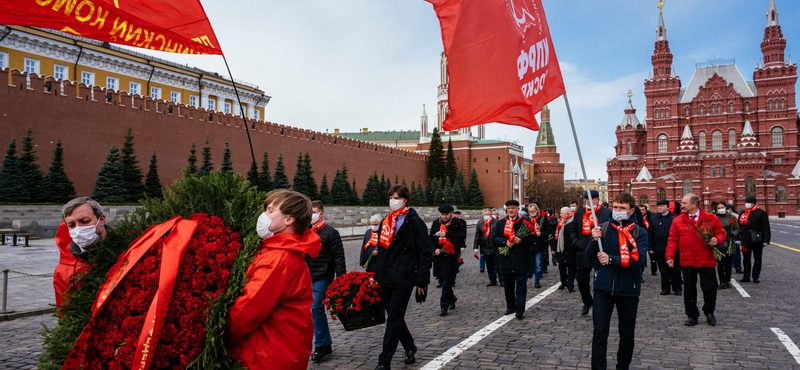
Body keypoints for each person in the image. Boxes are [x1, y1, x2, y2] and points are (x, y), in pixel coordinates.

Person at [226, 189, 321, 369]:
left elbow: (246, 311)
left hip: (267, 354)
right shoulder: (278, 251)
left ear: (288, 219)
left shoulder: (278, 259)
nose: (263, 215)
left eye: (270, 210)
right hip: (279, 349)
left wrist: (219, 335)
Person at [372, 184, 433, 370]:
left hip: (404, 278)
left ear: (404, 200)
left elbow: (425, 252)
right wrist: (376, 274)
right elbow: (381, 251)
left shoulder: (413, 221)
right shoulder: (386, 221)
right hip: (386, 277)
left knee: (393, 319)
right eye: (391, 197)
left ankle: (384, 363)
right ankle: (409, 347)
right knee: (394, 316)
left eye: (396, 197)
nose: (393, 200)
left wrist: (422, 281)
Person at [587, 193, 648, 370]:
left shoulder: (639, 232)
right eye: (615, 208)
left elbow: (639, 261)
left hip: (628, 290)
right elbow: (589, 257)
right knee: (600, 332)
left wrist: (612, 259)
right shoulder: (603, 228)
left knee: (627, 334)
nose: (617, 211)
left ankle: (623, 366)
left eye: (622, 208)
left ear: (631, 211)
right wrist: (593, 239)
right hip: (603, 289)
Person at [666, 194, 726, 327]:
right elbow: (672, 239)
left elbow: (721, 233)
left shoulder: (711, 218)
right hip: (687, 260)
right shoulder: (677, 221)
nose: (681, 206)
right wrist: (669, 256)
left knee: (710, 288)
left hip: (706, 260)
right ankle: (692, 315)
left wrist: (718, 240)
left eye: (684, 203)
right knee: (689, 289)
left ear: (694, 204)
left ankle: (709, 311)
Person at [306, 201, 347, 363]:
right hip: (308, 276)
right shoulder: (306, 231)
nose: (311, 215)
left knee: (316, 307)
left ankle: (321, 345)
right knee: (316, 310)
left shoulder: (331, 232)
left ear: (321, 213)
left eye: (314, 211)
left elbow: (339, 256)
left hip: (323, 276)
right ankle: (327, 344)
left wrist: (341, 279)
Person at [54, 197, 111, 309]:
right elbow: (65, 313)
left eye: (84, 221)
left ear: (102, 220)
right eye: (71, 225)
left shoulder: (127, 251)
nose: (78, 229)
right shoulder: (64, 269)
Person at [567, 190, 613, 316]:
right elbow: (573, 230)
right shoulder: (579, 214)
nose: (589, 201)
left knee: (601, 280)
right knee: (581, 279)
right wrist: (576, 242)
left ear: (597, 200)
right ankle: (587, 301)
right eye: (587, 199)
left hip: (601, 252)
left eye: (592, 199)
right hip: (583, 252)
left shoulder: (606, 213)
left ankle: (602, 304)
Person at [492, 200, 535, 319]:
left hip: (521, 258)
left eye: (513, 208)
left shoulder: (525, 222)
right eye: (509, 208)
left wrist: (521, 241)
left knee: (521, 286)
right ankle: (510, 306)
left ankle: (520, 309)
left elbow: (532, 239)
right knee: (508, 286)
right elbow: (494, 238)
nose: (511, 210)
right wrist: (504, 242)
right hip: (506, 259)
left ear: (518, 209)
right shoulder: (501, 223)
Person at [430, 204, 465, 316]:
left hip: (450, 256)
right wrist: (434, 249)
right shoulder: (436, 223)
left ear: (451, 213)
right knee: (443, 280)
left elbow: (461, 237)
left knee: (446, 282)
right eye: (442, 214)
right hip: (439, 256)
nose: (444, 217)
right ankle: (452, 298)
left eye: (446, 214)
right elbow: (431, 238)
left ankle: (443, 307)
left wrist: (447, 234)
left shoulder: (457, 224)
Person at [649, 200, 682, 296]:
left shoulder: (675, 217)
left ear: (667, 207)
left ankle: (677, 288)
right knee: (663, 271)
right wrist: (650, 247)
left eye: (662, 206)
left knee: (675, 270)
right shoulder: (654, 219)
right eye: (658, 206)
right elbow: (650, 234)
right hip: (659, 249)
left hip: (674, 250)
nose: (659, 207)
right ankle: (665, 288)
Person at [738, 196, 770, 283]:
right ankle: (746, 276)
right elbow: (739, 227)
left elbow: (766, 227)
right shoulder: (743, 213)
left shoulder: (761, 213)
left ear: (754, 203)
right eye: (746, 202)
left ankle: (756, 276)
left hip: (757, 240)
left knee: (757, 258)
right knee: (746, 259)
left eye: (749, 202)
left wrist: (766, 240)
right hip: (745, 239)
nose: (747, 204)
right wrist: (738, 238)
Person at [714, 203, 739, 290]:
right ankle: (722, 282)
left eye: (722, 207)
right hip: (719, 243)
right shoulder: (714, 217)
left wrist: (733, 234)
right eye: (719, 208)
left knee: (728, 263)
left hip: (729, 243)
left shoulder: (731, 217)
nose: (721, 209)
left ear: (726, 208)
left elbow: (737, 228)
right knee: (720, 263)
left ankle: (727, 280)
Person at [474, 208, 502, 286]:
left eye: (488, 214)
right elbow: (477, 236)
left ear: (491, 214)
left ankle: (502, 280)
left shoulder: (497, 222)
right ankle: (492, 280)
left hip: (495, 248)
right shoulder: (480, 223)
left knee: (498, 266)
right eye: (485, 214)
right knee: (489, 266)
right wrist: (475, 247)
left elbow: (500, 234)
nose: (486, 216)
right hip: (485, 248)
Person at [552, 206, 577, 292]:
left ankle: (570, 284)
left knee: (572, 268)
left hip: (570, 249)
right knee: (561, 267)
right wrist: (553, 248)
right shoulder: (560, 223)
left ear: (567, 214)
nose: (560, 214)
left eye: (562, 213)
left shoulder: (573, 222)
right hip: (561, 249)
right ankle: (563, 282)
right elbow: (555, 236)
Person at [527, 203, 549, 288]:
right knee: (529, 264)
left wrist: (541, 234)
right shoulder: (526, 219)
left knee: (538, 264)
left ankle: (537, 280)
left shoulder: (542, 219)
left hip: (539, 245)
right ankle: (529, 275)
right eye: (530, 212)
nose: (531, 213)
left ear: (537, 211)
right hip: (529, 245)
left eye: (533, 211)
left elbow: (547, 231)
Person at [639, 205, 657, 276]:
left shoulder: (651, 217)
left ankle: (654, 270)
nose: (641, 211)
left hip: (650, 237)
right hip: (642, 238)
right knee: (642, 255)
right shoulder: (639, 217)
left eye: (643, 210)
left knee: (652, 255)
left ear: (646, 210)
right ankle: (641, 272)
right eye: (640, 210)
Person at [728, 204, 743, 274]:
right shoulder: (721, 216)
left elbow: (738, 227)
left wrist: (737, 236)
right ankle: (728, 266)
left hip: (734, 237)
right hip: (725, 237)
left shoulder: (735, 216)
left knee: (736, 252)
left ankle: (738, 267)